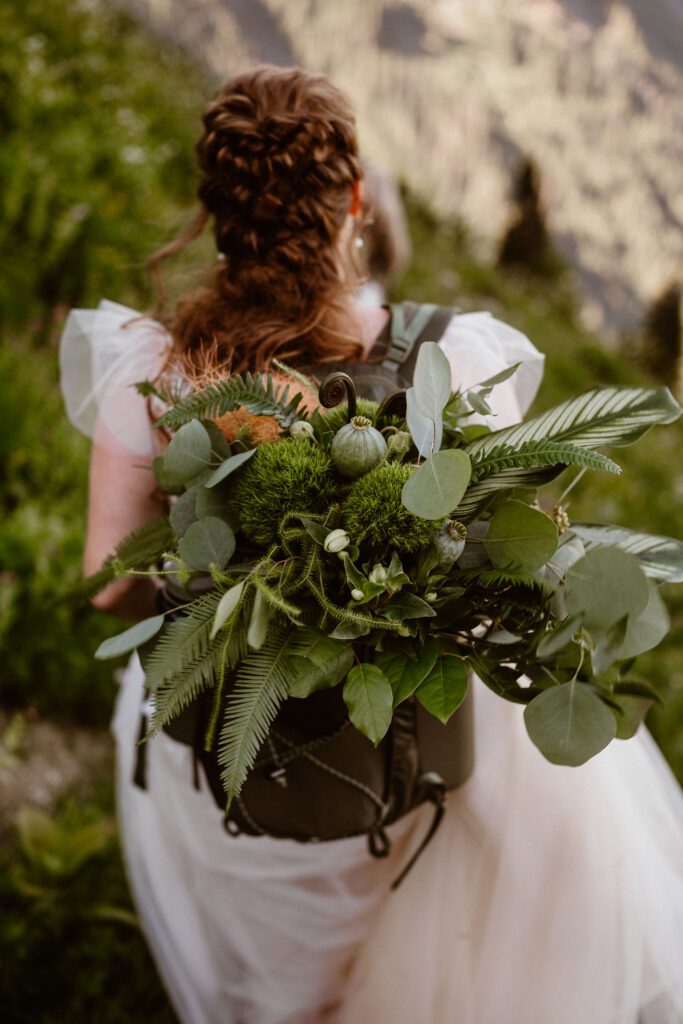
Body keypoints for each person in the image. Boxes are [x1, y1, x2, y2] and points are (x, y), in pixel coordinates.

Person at [60, 65, 683, 1024]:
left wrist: (240, 587)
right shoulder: (460, 357)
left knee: (276, 985)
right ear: (353, 200)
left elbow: (110, 583)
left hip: (235, 752)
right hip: (399, 756)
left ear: (217, 210)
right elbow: (500, 553)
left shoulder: (157, 371)